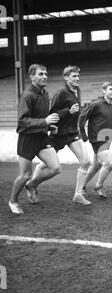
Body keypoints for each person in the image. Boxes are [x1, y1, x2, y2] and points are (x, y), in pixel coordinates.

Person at [28, 65, 91, 206]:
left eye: (78, 76)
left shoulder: (77, 90)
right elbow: (51, 114)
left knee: (86, 161)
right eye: (74, 76)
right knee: (46, 165)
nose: (77, 79)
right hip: (58, 133)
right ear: (66, 78)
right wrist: (68, 111)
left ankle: (78, 195)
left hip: (72, 132)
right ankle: (32, 185)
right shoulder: (61, 92)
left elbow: (75, 111)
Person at [8, 64, 61, 215]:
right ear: (32, 77)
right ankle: (13, 201)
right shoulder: (27, 95)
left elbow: (42, 118)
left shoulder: (45, 93)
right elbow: (22, 122)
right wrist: (45, 122)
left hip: (42, 137)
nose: (45, 76)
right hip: (27, 139)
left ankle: (32, 185)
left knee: (56, 168)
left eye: (45, 74)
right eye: (41, 74)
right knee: (24, 175)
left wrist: (49, 127)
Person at [79, 81, 112, 198]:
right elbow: (82, 118)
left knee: (96, 166)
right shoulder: (96, 104)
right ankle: (98, 186)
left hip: (107, 139)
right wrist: (84, 135)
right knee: (110, 163)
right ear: (104, 91)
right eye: (110, 89)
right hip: (96, 139)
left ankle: (81, 186)